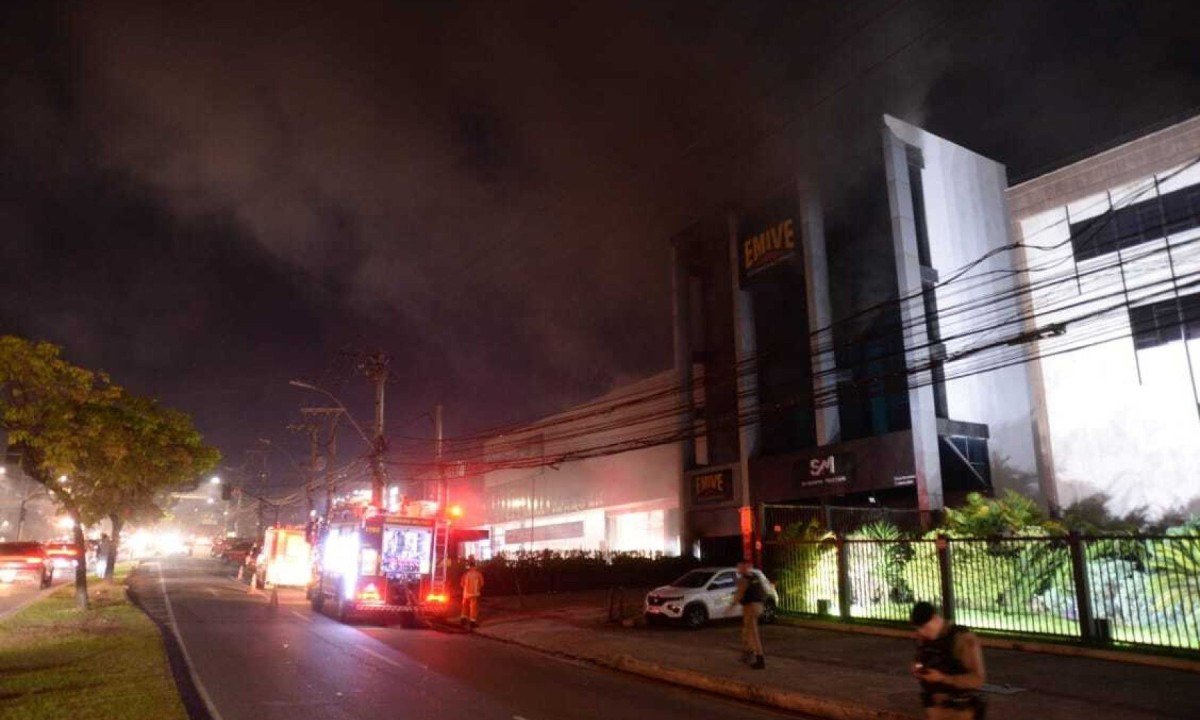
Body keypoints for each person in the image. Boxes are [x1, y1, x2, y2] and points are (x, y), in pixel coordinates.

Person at [910, 602, 986, 719]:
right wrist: (918, 670)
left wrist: (943, 678)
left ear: (935, 619)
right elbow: (920, 660)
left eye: (926, 628)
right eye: (919, 630)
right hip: (935, 710)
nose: (923, 633)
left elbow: (977, 680)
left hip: (960, 712)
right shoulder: (925, 639)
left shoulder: (962, 639)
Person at [733, 561, 766, 669]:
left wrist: (730, 607)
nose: (738, 569)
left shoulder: (744, 579)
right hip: (758, 605)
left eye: (739, 567)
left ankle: (760, 659)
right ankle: (748, 654)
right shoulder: (755, 576)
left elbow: (739, 595)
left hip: (750, 607)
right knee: (747, 631)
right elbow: (764, 589)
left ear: (743, 567)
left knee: (753, 633)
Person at [460, 558, 484, 629]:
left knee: (464, 606)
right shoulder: (478, 574)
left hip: (466, 593)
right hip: (474, 593)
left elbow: (461, 584)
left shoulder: (466, 574)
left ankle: (463, 620)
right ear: (475, 566)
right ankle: (472, 622)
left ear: (469, 567)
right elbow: (482, 583)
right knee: (473, 608)